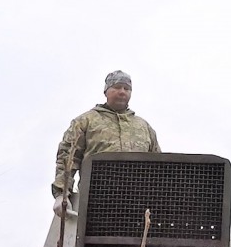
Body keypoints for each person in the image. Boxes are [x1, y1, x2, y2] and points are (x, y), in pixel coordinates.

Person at [51, 70, 161, 216]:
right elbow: (68, 157)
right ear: (106, 91)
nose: (122, 92)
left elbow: (159, 165)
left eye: (126, 88)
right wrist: (62, 194)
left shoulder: (144, 127)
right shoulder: (86, 121)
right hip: (95, 202)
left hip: (139, 205)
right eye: (117, 87)